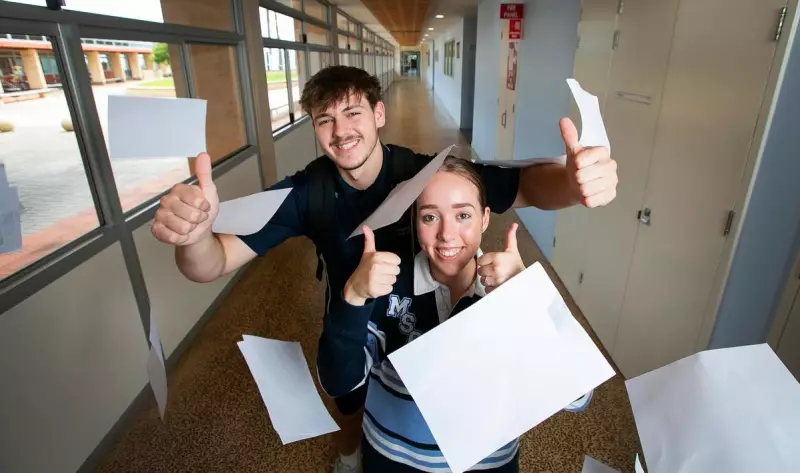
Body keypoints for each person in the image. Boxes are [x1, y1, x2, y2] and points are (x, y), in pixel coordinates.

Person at [149, 66, 616, 472]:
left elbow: (527, 187)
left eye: (353, 113)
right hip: (359, 310)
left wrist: (576, 185)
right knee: (351, 391)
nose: (341, 130)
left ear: (378, 115)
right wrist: (192, 238)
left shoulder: (427, 174)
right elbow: (214, 262)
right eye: (325, 120)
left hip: (426, 306)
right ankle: (353, 446)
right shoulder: (308, 192)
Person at [316, 157, 592, 472]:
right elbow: (338, 381)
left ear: (486, 218)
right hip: (393, 460)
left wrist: (526, 297)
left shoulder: (512, 290)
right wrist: (354, 296)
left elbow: (578, 398)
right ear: (414, 221)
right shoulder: (386, 287)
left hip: (486, 465)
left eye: (463, 214)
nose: (447, 234)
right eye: (431, 216)